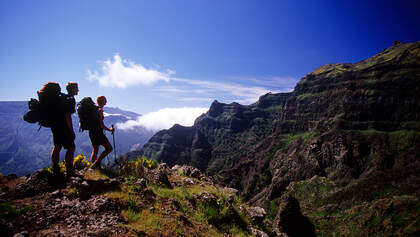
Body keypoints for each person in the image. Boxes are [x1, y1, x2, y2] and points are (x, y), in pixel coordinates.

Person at [50, 82, 79, 177]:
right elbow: (67, 116)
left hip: (55, 125)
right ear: (72, 89)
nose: (78, 90)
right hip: (64, 127)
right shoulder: (70, 98)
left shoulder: (61, 98)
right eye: (76, 88)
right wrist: (71, 131)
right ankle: (69, 170)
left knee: (57, 146)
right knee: (71, 148)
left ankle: (55, 169)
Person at [90, 95, 114, 168]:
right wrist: (110, 129)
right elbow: (101, 125)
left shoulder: (93, 109)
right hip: (98, 133)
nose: (106, 103)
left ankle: (93, 166)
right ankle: (96, 163)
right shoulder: (100, 110)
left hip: (92, 132)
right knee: (109, 148)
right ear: (102, 102)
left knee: (95, 150)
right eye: (105, 101)